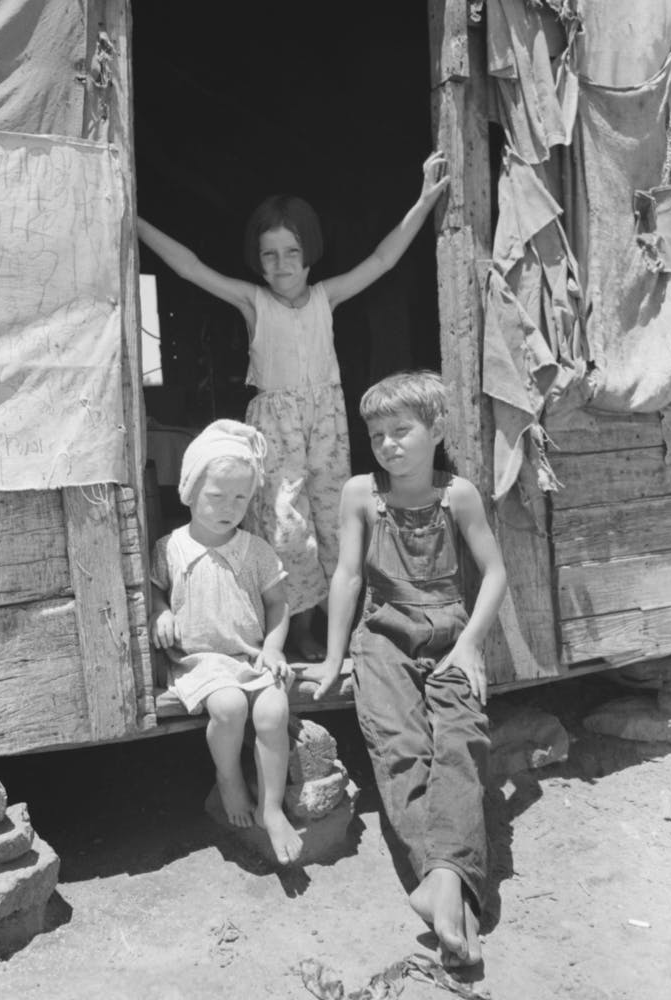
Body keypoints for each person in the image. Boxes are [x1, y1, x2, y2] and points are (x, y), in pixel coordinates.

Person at [137, 152, 449, 662]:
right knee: (287, 531)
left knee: (332, 524)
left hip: (325, 424)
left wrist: (424, 201)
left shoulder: (326, 296)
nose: (281, 265)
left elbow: (383, 260)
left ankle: (338, 631)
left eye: (290, 251)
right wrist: (135, 219)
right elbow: (189, 266)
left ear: (310, 254)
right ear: (257, 261)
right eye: (269, 255)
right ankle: (295, 629)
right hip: (277, 426)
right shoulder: (252, 301)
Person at [306, 370, 507, 966]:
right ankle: (453, 886)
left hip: (450, 632)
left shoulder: (459, 494)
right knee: (399, 743)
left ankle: (440, 886)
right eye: (377, 435)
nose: (389, 445)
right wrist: (333, 658)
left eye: (402, 430)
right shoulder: (361, 495)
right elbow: (347, 576)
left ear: (436, 429)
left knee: (462, 737)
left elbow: (493, 574)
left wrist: (470, 644)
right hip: (383, 634)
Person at [149, 419, 302, 865]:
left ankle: (271, 807)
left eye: (240, 497)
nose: (228, 507)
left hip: (249, 655)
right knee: (230, 707)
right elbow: (156, 587)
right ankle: (230, 779)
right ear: (191, 491)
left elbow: (278, 605)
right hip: (199, 660)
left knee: (274, 711)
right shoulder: (171, 548)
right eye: (217, 496)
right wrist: (160, 611)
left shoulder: (254, 551)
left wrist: (273, 648)